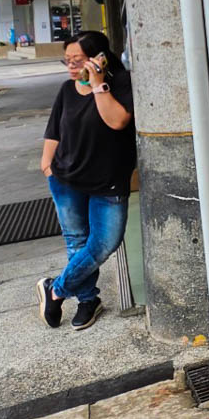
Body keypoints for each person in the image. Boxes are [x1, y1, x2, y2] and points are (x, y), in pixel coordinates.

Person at [36, 31, 136, 330]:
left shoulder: (120, 84)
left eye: (77, 60)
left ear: (99, 58)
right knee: (77, 242)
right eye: (66, 60)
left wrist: (97, 83)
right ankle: (88, 300)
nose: (70, 66)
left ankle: (55, 289)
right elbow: (54, 130)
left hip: (108, 182)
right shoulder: (67, 90)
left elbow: (116, 121)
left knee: (106, 242)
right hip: (66, 179)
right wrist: (46, 165)